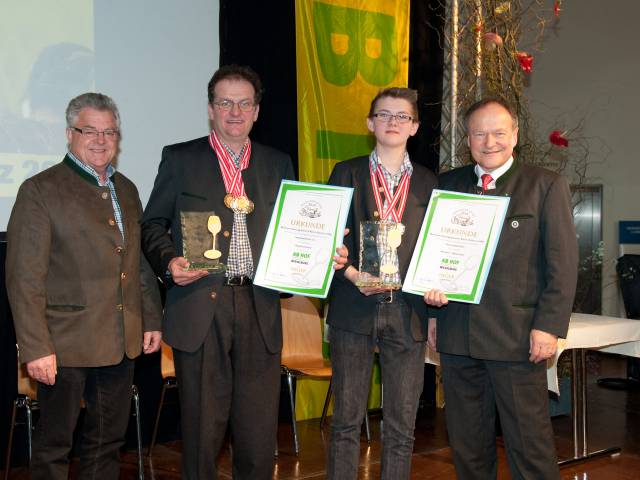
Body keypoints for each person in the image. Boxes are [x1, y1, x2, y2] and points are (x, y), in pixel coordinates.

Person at [141, 64, 294, 479]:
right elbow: (152, 225)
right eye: (225, 103)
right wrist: (170, 263)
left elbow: (293, 229)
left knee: (258, 428)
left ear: (257, 112)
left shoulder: (277, 163)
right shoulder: (181, 158)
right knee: (202, 426)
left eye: (245, 103)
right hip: (200, 303)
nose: (235, 112)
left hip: (258, 303)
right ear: (210, 109)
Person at [6, 92, 163, 480]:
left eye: (109, 131)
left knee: (107, 443)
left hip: (119, 343)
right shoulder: (40, 190)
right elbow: (24, 277)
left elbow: (137, 262)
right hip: (64, 346)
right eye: (88, 130)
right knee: (54, 447)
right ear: (69, 134)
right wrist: (36, 347)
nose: (100, 139)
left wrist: (151, 319)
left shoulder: (125, 189)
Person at [424, 98, 578, 479]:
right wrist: (430, 313)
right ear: (468, 138)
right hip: (457, 334)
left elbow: (562, 264)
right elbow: (431, 255)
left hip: (518, 339)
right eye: (479, 133)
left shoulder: (545, 185)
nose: (489, 141)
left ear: (515, 135)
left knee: (530, 446)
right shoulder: (446, 185)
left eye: (498, 132)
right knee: (468, 445)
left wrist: (549, 326)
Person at [326, 87, 438, 479]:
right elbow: (330, 237)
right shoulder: (346, 171)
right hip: (353, 304)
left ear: (415, 127)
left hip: (408, 310)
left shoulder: (428, 182)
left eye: (402, 116)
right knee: (345, 421)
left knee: (402, 425)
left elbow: (433, 248)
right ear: (370, 123)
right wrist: (354, 274)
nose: (393, 122)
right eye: (385, 115)